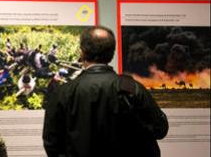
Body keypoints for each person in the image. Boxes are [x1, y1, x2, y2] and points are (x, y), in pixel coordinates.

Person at [43, 26, 168, 157]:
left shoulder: (62, 92)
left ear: (82, 53)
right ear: (112, 53)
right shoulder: (131, 87)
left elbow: (52, 144)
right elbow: (160, 129)